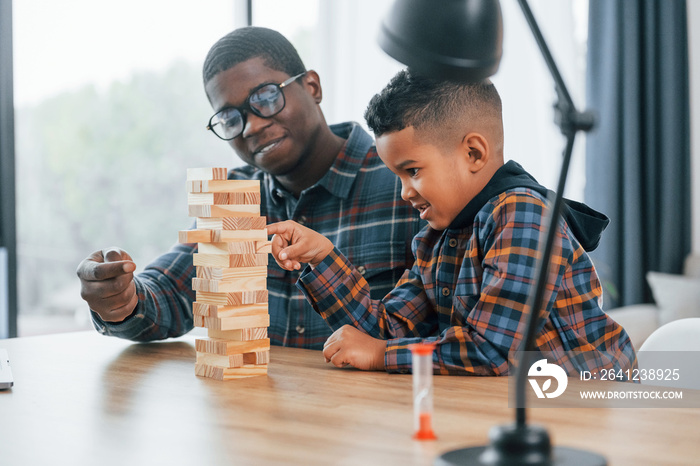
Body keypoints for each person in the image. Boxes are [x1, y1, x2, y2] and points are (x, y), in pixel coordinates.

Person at [267, 69, 637, 375]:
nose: (404, 193)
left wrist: (382, 355)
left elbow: (493, 352)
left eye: (412, 171)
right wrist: (322, 257)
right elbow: (387, 330)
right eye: (398, 176)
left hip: (592, 403)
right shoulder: (435, 240)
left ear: (474, 153)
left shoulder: (523, 214)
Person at [76, 27, 423, 347]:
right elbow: (170, 292)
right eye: (230, 118)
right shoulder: (235, 199)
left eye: (267, 97)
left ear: (313, 87)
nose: (252, 126)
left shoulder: (407, 181)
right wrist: (121, 298)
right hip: (259, 411)